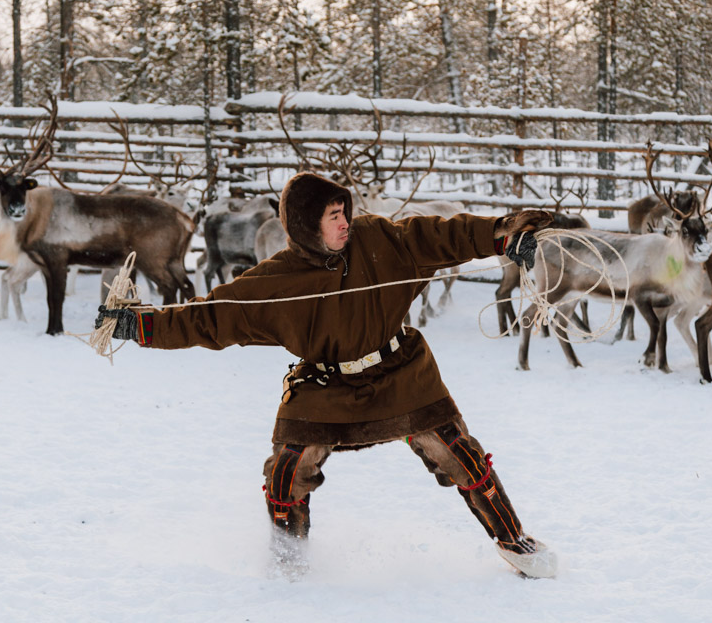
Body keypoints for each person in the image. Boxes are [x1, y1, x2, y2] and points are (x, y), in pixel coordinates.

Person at [96, 172, 557, 579]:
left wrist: (502, 235)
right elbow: (211, 317)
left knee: (461, 456)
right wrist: (141, 324)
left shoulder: (376, 238)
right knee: (286, 472)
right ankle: (289, 564)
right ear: (304, 226)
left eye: (344, 211)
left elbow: (438, 236)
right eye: (332, 216)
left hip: (401, 373)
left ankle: (516, 543)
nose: (344, 222)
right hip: (327, 386)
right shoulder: (275, 281)